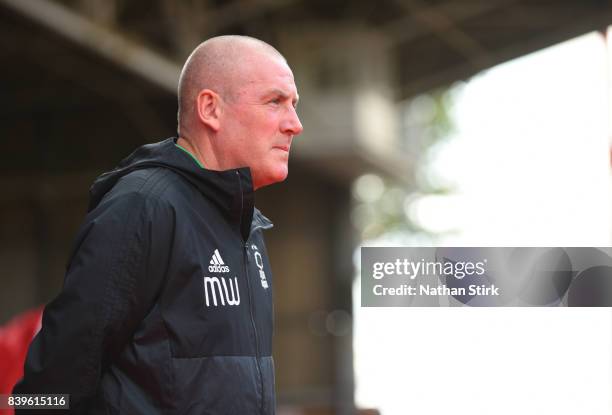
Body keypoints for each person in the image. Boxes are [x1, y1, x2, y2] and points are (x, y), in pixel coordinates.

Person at [13, 35, 303, 414]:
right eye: (274, 102)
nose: (295, 125)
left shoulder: (246, 228)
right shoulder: (142, 207)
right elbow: (51, 385)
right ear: (210, 109)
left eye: (294, 106)